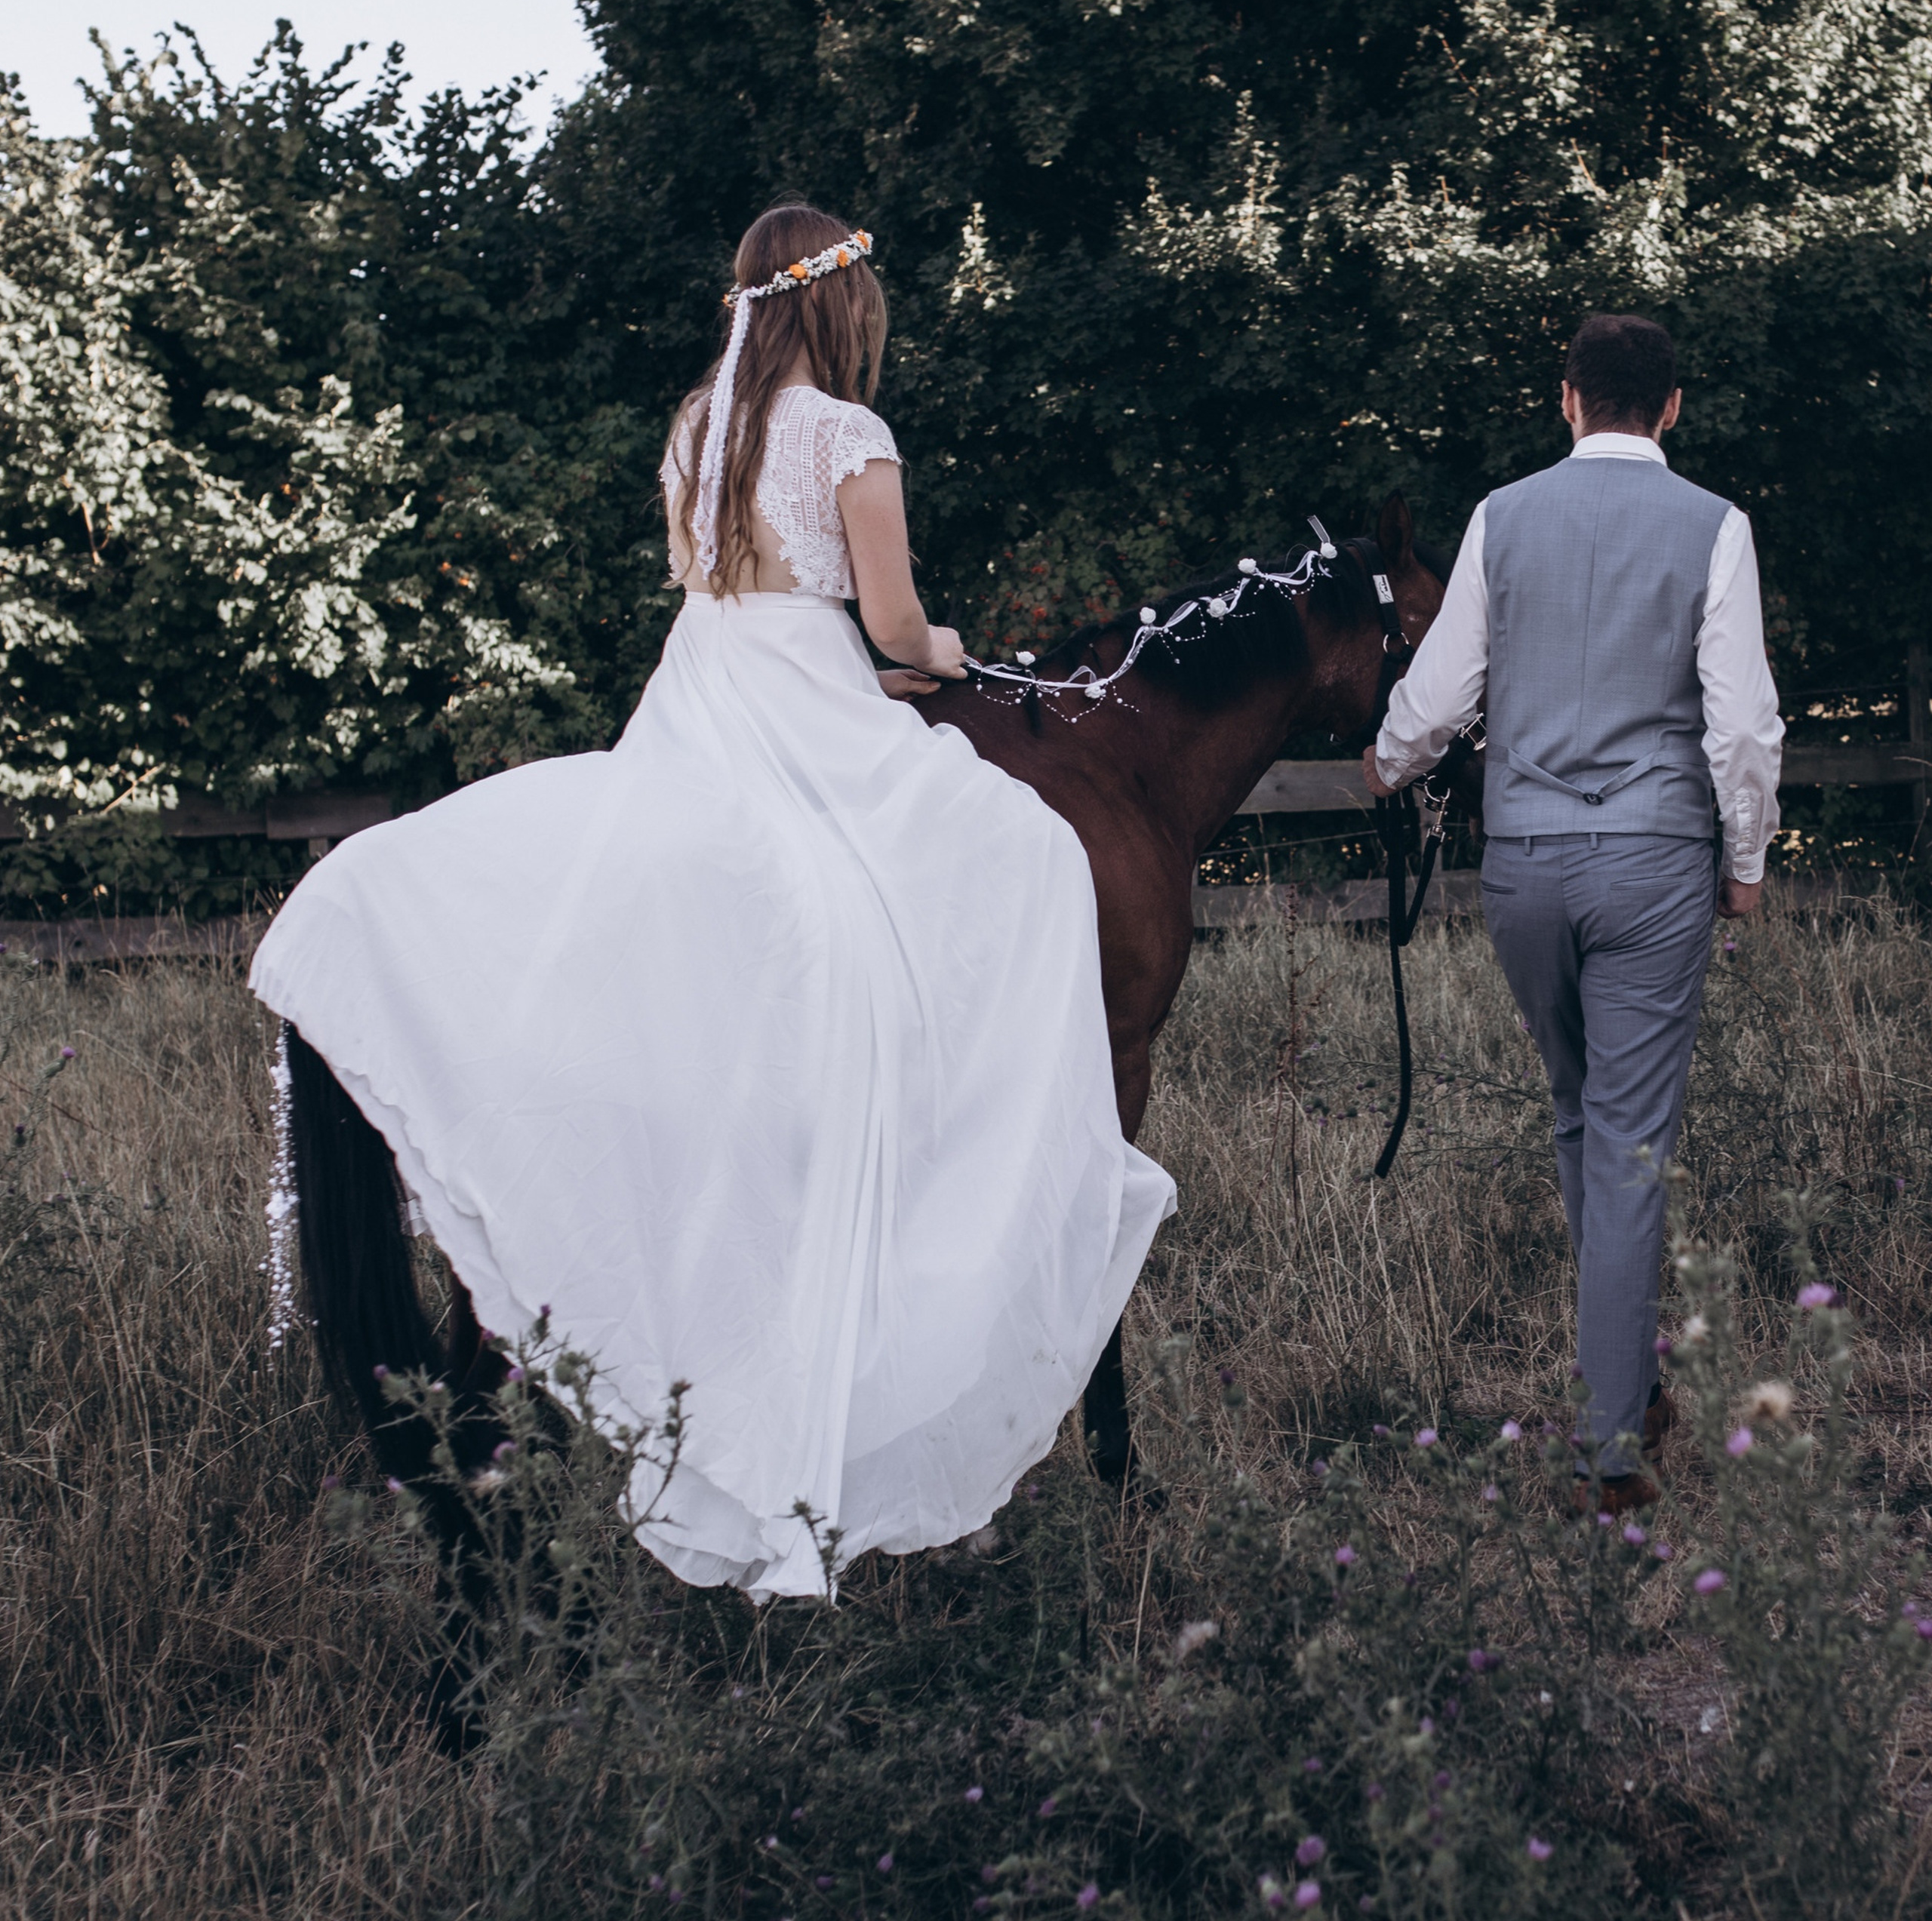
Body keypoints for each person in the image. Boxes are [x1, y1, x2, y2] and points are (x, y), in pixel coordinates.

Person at [250, 203, 1174, 1597]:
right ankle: (968, 1171)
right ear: (836, 304)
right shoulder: (851, 439)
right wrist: (952, 654)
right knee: (1024, 860)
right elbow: (891, 627)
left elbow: (713, 588)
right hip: (807, 713)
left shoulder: (701, 427)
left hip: (701, 706)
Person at [1362, 313, 1783, 1511]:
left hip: (1528, 866)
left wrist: (1391, 759)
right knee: (1629, 1143)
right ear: (1671, 407)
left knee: (1580, 1113)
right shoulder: (1716, 526)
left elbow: (1440, 691)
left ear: (1565, 402)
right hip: (1651, 861)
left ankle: (1626, 1378)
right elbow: (1740, 724)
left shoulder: (1503, 517)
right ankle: (1613, 1448)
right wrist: (1744, 861)